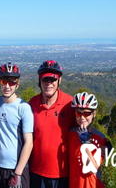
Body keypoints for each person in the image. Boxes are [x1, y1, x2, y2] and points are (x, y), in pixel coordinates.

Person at [28, 60, 74, 188]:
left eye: (52, 80)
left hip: (62, 174)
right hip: (36, 172)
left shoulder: (70, 104)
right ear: (39, 81)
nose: (49, 83)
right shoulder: (32, 104)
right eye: (45, 80)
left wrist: (103, 142)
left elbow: (86, 124)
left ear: (59, 81)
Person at [0, 63, 34, 188]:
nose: (7, 86)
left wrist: (18, 173)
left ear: (17, 84)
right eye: (4, 81)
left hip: (16, 168)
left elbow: (29, 142)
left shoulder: (23, 107)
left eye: (12, 83)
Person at [68, 92, 111, 188]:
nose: (82, 117)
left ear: (94, 114)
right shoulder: (70, 134)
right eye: (79, 113)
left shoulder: (102, 139)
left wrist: (87, 144)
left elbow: (93, 167)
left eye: (87, 113)